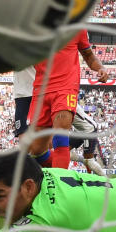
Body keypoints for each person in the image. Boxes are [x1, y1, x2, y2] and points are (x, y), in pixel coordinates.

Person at [28, 30, 107, 169]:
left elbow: (89, 56)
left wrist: (100, 68)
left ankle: (60, 185)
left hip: (66, 87)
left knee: (60, 136)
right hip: (40, 90)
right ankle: (61, 174)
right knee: (36, 150)